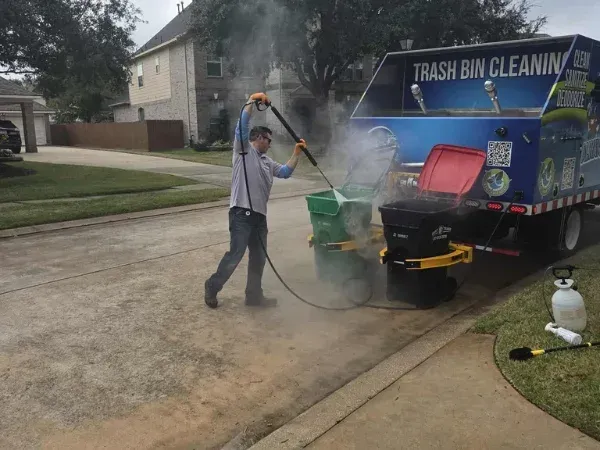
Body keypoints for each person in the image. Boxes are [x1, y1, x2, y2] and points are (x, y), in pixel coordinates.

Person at [204, 92, 307, 308]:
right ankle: (212, 287)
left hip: (259, 218)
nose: (270, 144)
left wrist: (297, 152)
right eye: (268, 140)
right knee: (236, 255)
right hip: (241, 214)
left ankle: (253, 296)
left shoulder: (267, 162)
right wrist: (252, 100)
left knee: (259, 259)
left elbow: (286, 172)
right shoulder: (243, 151)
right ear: (258, 138)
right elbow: (241, 127)